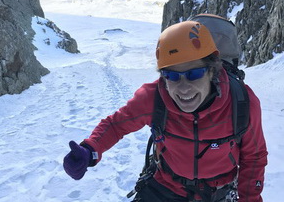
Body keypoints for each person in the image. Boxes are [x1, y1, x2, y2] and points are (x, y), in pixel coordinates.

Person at [63, 20, 268, 202]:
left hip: (219, 191)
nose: (183, 87)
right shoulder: (154, 98)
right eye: (172, 75)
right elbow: (116, 125)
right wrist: (90, 149)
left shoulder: (242, 102)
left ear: (212, 70)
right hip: (166, 186)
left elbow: (254, 157)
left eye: (194, 73)